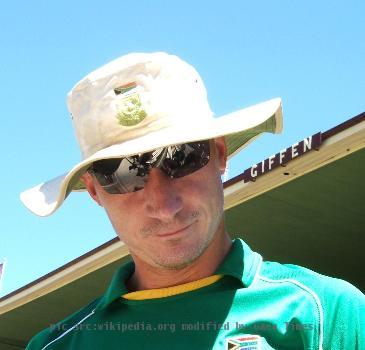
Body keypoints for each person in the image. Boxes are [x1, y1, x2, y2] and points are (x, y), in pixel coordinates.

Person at [22, 52, 364, 350]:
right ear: (95, 190)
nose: (164, 206)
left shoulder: (330, 314)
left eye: (181, 157)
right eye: (124, 174)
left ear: (219, 153)